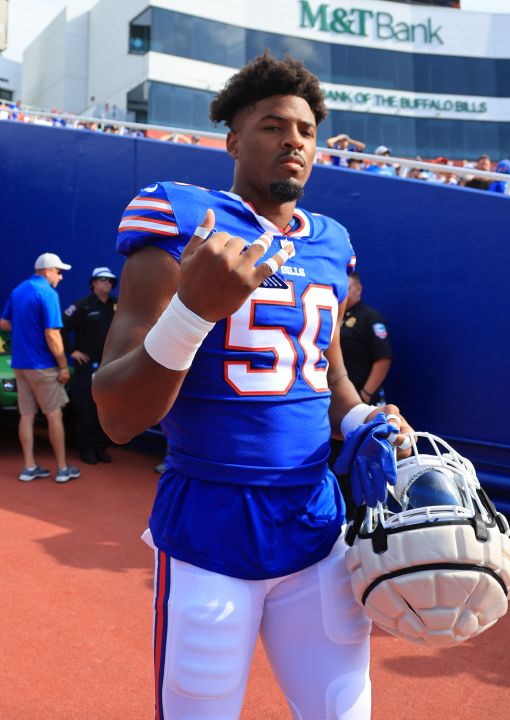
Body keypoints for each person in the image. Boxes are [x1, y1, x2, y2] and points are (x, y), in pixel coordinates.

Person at [92, 51, 413, 719]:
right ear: (233, 140)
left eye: (304, 130)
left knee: (341, 712)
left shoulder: (332, 242)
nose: (293, 140)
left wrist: (364, 421)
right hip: (210, 527)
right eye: (272, 126)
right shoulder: (180, 219)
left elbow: (328, 373)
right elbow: (116, 415)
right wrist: (191, 314)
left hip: (315, 524)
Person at [0, 252, 82, 484]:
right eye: (58, 272)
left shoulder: (18, 290)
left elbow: (4, 323)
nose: (61, 277)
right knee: (54, 414)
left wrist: (26, 328)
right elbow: (52, 333)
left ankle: (29, 467)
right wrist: (64, 365)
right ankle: (63, 469)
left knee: (26, 415)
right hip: (43, 366)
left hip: (20, 364)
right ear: (47, 272)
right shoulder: (48, 293)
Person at [63, 266, 119, 465]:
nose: (107, 284)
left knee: (106, 409)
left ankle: (101, 447)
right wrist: (72, 352)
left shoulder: (117, 305)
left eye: (110, 281)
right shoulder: (82, 306)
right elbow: (60, 328)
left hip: (110, 367)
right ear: (93, 283)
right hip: (86, 367)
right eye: (103, 280)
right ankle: (86, 449)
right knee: (85, 408)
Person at [339, 273, 392, 406]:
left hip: (362, 398)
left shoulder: (370, 318)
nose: (343, 293)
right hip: (340, 396)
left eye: (347, 288)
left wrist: (366, 394)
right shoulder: (336, 317)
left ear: (358, 289)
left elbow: (383, 358)